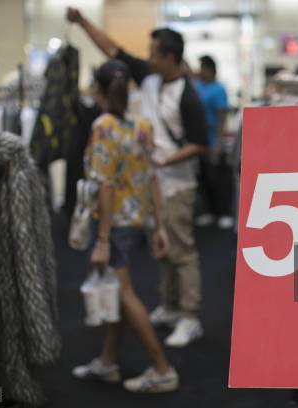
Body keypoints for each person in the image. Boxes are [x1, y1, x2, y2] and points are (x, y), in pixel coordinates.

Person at [67, 8, 208, 348]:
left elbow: (203, 144)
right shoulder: (150, 78)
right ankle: (171, 306)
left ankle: (191, 316)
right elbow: (113, 50)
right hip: (153, 185)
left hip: (177, 183)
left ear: (169, 56)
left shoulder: (188, 96)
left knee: (182, 250)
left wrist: (163, 158)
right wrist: (84, 23)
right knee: (164, 247)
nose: (147, 58)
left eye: (153, 53)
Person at [72, 59, 179, 392]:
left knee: (125, 293)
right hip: (134, 220)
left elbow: (104, 185)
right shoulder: (141, 125)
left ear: (100, 89)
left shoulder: (103, 126)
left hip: (112, 224)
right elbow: (152, 178)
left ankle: (162, 369)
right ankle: (106, 362)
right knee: (118, 292)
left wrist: (102, 240)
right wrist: (159, 226)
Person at [193, 55, 233, 229]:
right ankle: (209, 211)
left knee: (218, 178)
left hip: (213, 140)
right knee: (203, 178)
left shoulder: (219, 89)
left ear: (210, 69)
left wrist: (218, 141)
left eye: (203, 67)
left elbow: (221, 116)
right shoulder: (197, 86)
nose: (201, 71)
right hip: (199, 141)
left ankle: (223, 212)